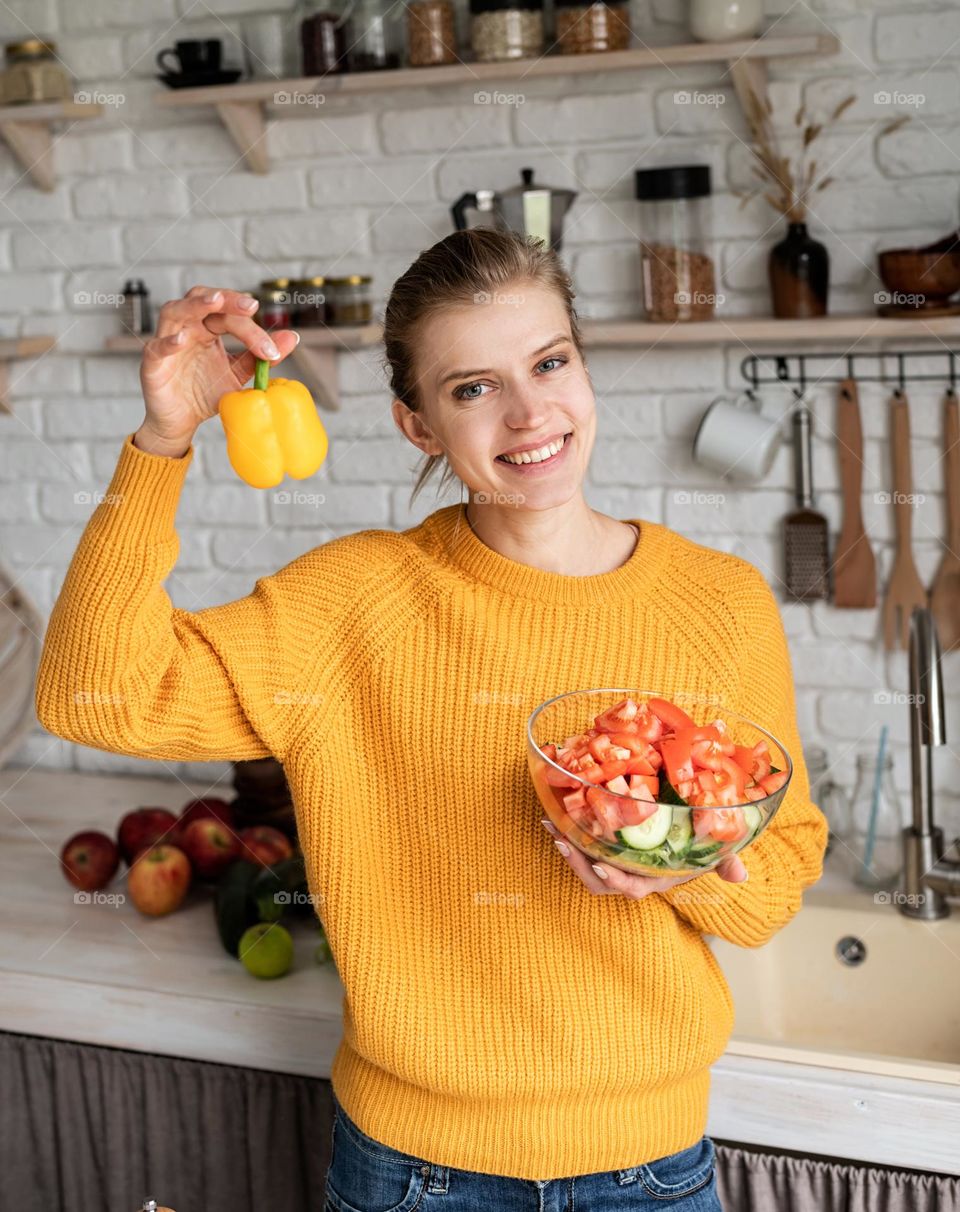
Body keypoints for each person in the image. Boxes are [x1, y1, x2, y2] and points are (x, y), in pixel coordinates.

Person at [39, 228, 827, 1211]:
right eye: (473, 388)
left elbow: (772, 892)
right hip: (416, 1176)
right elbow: (91, 695)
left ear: (584, 365)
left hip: (653, 1171)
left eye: (550, 362)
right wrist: (164, 441)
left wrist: (682, 868)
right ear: (420, 427)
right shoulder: (354, 601)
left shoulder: (722, 601)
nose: (531, 412)